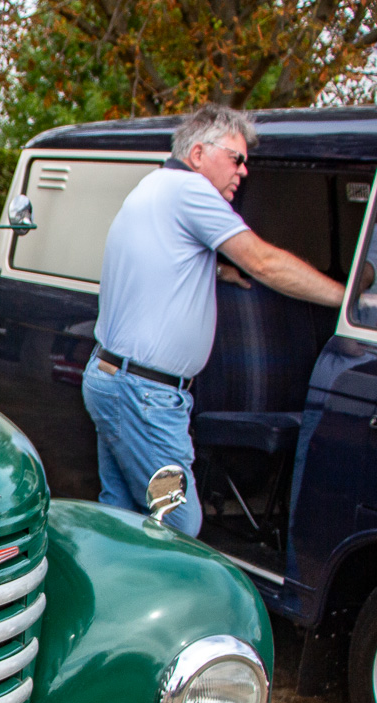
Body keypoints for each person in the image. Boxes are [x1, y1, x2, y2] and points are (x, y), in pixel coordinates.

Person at [82, 103, 347, 536]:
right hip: (146, 398)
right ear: (199, 153)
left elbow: (159, 258)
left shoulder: (154, 186)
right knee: (179, 524)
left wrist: (217, 270)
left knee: (122, 514)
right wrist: (348, 299)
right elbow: (263, 261)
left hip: (116, 380)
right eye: (236, 158)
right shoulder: (191, 191)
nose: (243, 171)